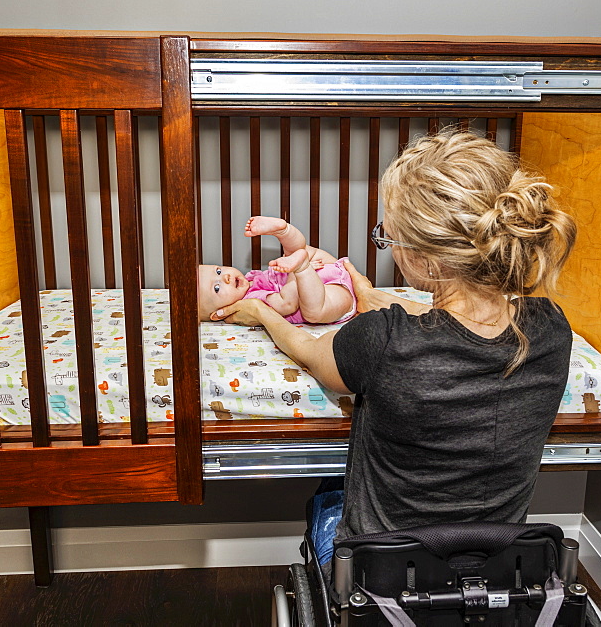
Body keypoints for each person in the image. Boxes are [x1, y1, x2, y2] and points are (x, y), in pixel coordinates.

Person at [211, 130, 577, 570]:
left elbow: (308, 350)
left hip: (383, 575)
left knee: (327, 496)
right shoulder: (551, 327)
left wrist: (262, 313)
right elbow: (460, 322)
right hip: (501, 567)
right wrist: (370, 294)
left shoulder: (382, 339)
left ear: (425, 260)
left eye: (390, 236)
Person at [197, 216, 356, 325]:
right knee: (314, 312)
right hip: (330, 294)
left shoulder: (251, 279)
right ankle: (296, 255)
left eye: (218, 271)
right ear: (218, 313)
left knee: (297, 251)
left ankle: (284, 232)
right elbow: (287, 303)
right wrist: (297, 272)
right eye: (216, 288)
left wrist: (297, 269)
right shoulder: (251, 301)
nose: (225, 277)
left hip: (317, 267)